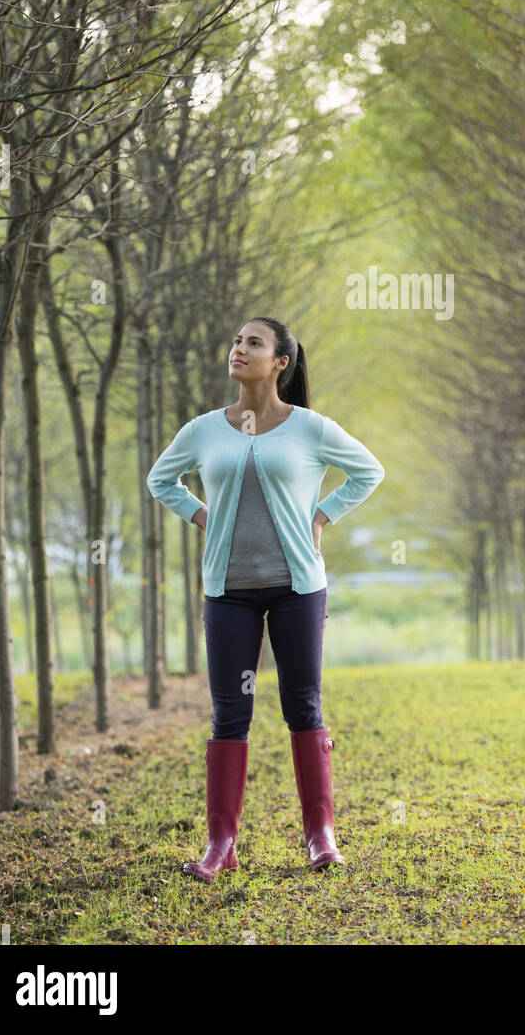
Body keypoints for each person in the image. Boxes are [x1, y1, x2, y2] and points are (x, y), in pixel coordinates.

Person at [146, 316, 385, 880]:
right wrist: (205, 517)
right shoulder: (203, 430)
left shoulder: (310, 428)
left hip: (298, 588)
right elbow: (161, 480)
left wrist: (322, 514)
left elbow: (368, 470)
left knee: (303, 705)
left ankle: (320, 835)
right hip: (229, 592)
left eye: (254, 342)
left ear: (281, 362)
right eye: (236, 339)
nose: (239, 348)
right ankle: (220, 843)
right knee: (231, 714)